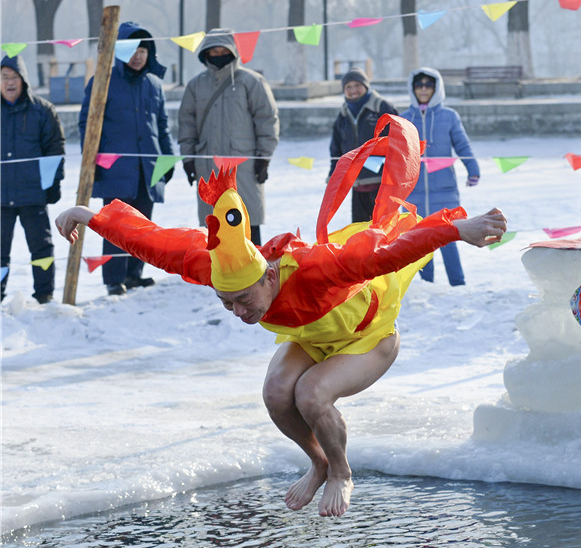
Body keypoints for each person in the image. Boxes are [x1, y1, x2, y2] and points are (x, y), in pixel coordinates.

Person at [55, 115, 507, 518]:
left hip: (370, 338)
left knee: (311, 393)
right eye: (226, 303)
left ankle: (342, 473)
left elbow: (387, 254)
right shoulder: (216, 267)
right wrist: (90, 217)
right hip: (316, 339)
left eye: (244, 300)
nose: (238, 311)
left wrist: (454, 231)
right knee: (275, 393)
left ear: (270, 276)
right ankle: (318, 462)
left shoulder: (320, 267)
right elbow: (153, 242)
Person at [78, 21, 174, 296]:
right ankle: (114, 279)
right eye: (132, 49)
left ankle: (135, 274)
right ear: (120, 51)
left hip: (149, 168)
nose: (138, 55)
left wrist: (167, 160)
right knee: (117, 227)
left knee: (143, 227)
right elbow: (87, 124)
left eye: (143, 49)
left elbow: (163, 126)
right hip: (114, 169)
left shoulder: (154, 84)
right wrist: (93, 163)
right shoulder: (103, 81)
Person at [179, 28, 279, 247]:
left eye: (222, 50)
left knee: (246, 219)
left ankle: (255, 275)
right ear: (205, 53)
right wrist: (187, 159)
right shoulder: (196, 85)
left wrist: (264, 157)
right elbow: (186, 125)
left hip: (244, 166)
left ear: (232, 51)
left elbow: (267, 120)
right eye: (212, 51)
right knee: (214, 223)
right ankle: (218, 272)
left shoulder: (251, 81)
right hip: (208, 166)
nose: (217, 54)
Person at [400, 68, 480, 286]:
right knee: (420, 240)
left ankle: (458, 283)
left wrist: (473, 169)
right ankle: (427, 284)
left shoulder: (449, 116)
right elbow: (396, 154)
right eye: (419, 85)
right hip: (413, 192)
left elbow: (462, 144)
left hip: (444, 189)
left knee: (448, 237)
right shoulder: (405, 119)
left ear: (436, 88)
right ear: (412, 89)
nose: (423, 89)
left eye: (428, 85)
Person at [1, 55, 65, 304]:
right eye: (4, 77)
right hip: (1, 196)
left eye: (14, 77)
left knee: (41, 247)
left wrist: (54, 182)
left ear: (24, 80)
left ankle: (44, 294)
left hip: (33, 194)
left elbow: (55, 148)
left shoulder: (42, 110)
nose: (9, 82)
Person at [329, 67, 398, 223]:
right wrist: (334, 174)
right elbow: (336, 147)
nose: (353, 91)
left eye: (357, 85)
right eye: (348, 87)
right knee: (359, 233)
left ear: (366, 86)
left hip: (382, 183)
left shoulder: (382, 107)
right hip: (357, 183)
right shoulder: (344, 114)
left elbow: (398, 141)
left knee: (383, 231)